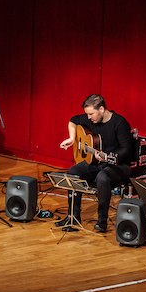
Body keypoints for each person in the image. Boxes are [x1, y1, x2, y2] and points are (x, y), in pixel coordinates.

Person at [58, 94, 134, 232]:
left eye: (91, 114)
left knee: (102, 178)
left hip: (118, 165)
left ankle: (102, 221)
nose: (88, 118)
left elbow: (126, 149)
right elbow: (73, 121)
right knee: (73, 173)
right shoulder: (91, 119)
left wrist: (109, 157)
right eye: (87, 114)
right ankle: (73, 216)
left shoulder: (119, 123)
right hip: (96, 162)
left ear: (101, 109)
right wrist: (71, 138)